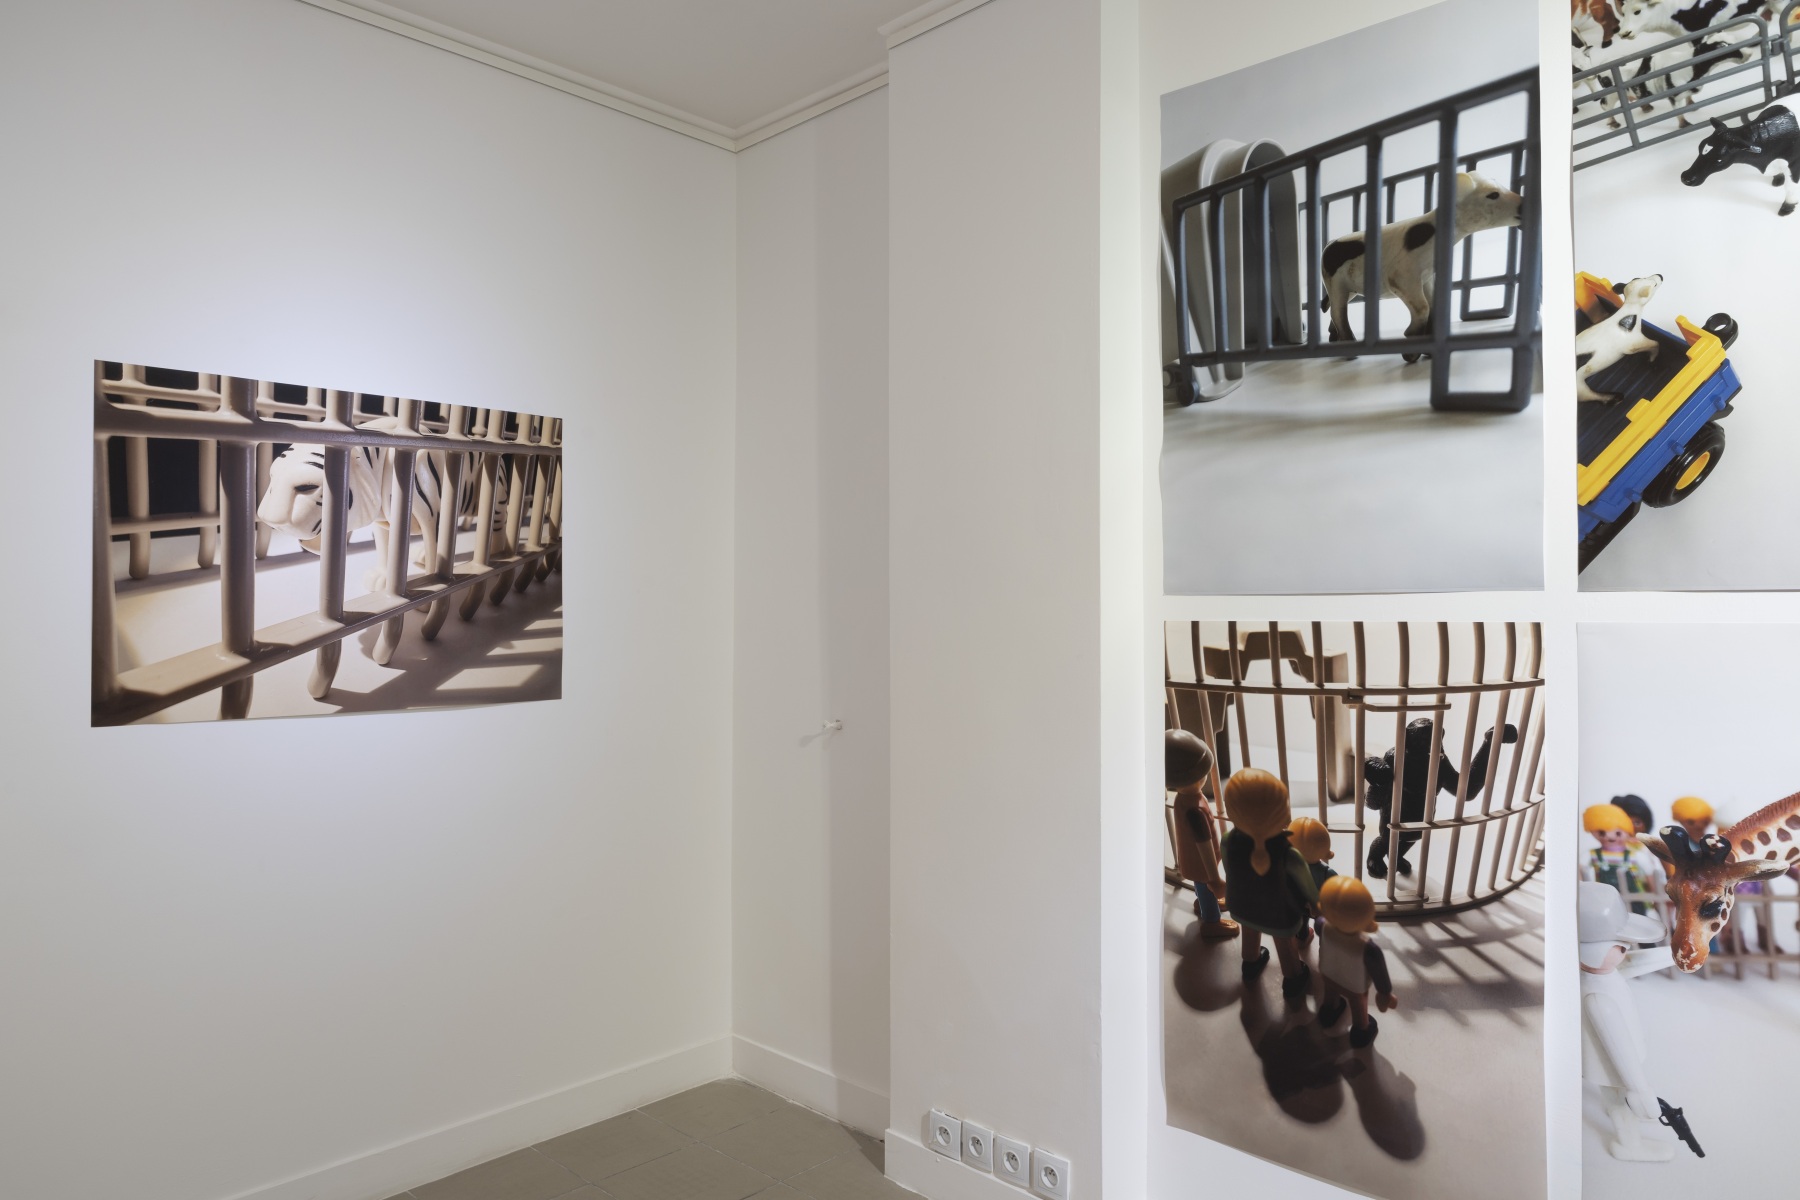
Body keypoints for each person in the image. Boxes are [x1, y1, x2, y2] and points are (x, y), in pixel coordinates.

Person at [1579, 881, 1679, 1162]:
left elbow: (1634, 963)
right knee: (1621, 1103)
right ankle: (1630, 1144)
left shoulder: (1595, 975)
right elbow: (1619, 1051)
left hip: (1606, 1062)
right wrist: (1640, 1091)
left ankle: (1615, 1108)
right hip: (1613, 1065)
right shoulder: (1598, 998)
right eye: (1619, 946)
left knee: (1613, 1097)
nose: (1626, 949)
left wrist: (1676, 955)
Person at [1222, 769, 1318, 998]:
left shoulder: (1228, 840)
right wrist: (1316, 904)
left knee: (1250, 930)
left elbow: (1228, 870)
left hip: (1241, 906)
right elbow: (1308, 888)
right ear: (1282, 814)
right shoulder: (1289, 854)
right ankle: (1293, 978)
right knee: (1284, 943)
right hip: (1279, 915)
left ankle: (1250, 963)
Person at [1165, 729, 1238, 940]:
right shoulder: (1195, 810)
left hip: (1193, 861)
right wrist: (1214, 878)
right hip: (1202, 865)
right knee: (1205, 887)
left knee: (1202, 887)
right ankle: (1212, 922)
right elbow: (1203, 844)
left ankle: (1204, 902)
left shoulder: (1183, 799)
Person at [1315, 876, 1397, 1048]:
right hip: (1354, 987)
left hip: (1328, 974)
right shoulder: (1368, 948)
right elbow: (1379, 973)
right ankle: (1361, 1029)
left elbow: (1318, 923)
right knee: (1358, 1005)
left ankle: (1328, 1011)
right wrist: (1385, 993)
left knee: (1330, 993)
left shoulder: (1322, 925)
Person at [1583, 803, 1654, 915]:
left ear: (1627, 831)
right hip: (1606, 903)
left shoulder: (1636, 855)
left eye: (1617, 833)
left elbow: (1651, 877)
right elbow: (1580, 869)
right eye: (1602, 833)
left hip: (1635, 902)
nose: (1610, 836)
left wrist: (1655, 896)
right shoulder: (1592, 855)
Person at [1288, 816, 1336, 942]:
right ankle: (1324, 945)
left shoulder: (1290, 867)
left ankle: (1302, 938)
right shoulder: (1327, 872)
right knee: (1324, 927)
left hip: (1298, 905)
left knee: (1301, 923)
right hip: (1320, 908)